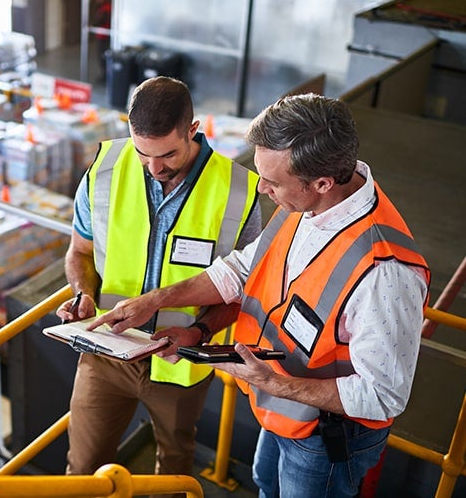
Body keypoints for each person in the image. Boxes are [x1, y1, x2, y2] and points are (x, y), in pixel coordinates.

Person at [90, 94, 431, 497]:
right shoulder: (306, 203)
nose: (262, 187)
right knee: (266, 484)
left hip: (324, 438)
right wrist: (161, 304)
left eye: (272, 181)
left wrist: (274, 382)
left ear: (322, 183)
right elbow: (239, 270)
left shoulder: (385, 274)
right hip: (281, 411)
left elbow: (382, 395)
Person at [56, 75, 262, 488]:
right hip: (105, 353)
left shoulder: (239, 191)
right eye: (142, 153)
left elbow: (246, 288)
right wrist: (83, 294)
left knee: (173, 475)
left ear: (193, 130)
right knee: (82, 473)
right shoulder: (105, 170)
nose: (154, 168)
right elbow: (79, 252)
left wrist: (201, 330)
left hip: (180, 366)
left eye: (167, 154)